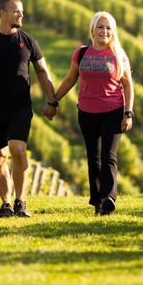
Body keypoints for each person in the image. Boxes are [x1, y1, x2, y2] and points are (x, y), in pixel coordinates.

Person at [0, 0, 58, 218]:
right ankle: (6, 204)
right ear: (2, 13)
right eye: (16, 11)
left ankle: (21, 201)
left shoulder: (29, 41)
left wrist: (52, 101)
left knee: (18, 150)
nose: (21, 15)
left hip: (20, 107)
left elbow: (42, 72)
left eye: (21, 11)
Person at [47, 11, 134, 215]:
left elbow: (128, 86)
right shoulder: (81, 53)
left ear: (113, 32)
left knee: (109, 156)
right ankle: (97, 202)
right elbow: (70, 79)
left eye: (108, 28)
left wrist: (128, 113)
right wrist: (53, 101)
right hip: (87, 112)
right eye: (101, 27)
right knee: (93, 158)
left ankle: (109, 198)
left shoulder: (118, 54)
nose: (104, 31)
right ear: (93, 30)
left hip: (113, 111)